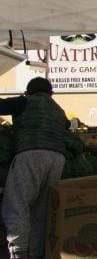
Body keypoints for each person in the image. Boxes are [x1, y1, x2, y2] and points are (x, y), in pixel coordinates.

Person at [0, 78, 67, 259]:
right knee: (41, 210)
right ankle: (36, 254)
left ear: (28, 92)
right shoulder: (59, 110)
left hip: (30, 153)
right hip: (57, 158)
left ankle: (19, 252)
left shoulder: (23, 102)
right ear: (50, 93)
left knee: (17, 204)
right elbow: (66, 127)